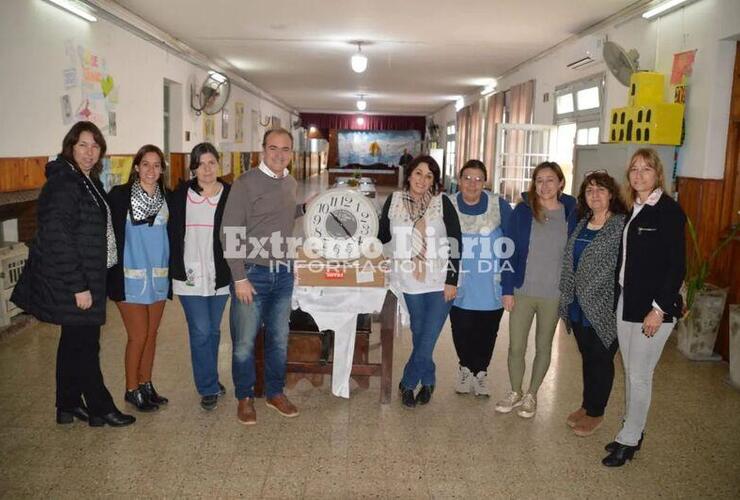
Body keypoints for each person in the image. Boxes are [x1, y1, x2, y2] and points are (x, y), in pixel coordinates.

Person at [11, 121, 135, 427]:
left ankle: (66, 405)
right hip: (76, 281)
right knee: (85, 346)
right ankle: (100, 408)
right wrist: (80, 286)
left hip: (89, 276)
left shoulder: (85, 179)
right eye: (83, 145)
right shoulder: (63, 183)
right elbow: (57, 236)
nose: (89, 152)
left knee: (73, 342)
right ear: (70, 146)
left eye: (95, 146)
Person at [602, 148, 686, 467]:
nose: (639, 175)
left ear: (658, 174)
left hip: (654, 309)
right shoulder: (633, 207)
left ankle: (630, 438)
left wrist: (659, 309)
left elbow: (677, 266)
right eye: (634, 169)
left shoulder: (668, 211)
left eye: (646, 169)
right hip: (628, 301)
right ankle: (630, 430)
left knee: (639, 375)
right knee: (632, 372)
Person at [221, 128, 309, 425]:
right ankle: (244, 397)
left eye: (285, 149)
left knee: (279, 339)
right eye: (274, 148)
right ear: (263, 150)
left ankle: (275, 393)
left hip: (282, 272)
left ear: (291, 154)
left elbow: (280, 214)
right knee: (245, 342)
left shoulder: (290, 181)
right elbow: (229, 232)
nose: (279, 154)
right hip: (252, 274)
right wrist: (239, 277)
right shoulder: (245, 184)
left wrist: (307, 207)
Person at [379, 155, 462, 408]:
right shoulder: (393, 201)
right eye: (418, 173)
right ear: (410, 174)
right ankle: (428, 378)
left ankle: (407, 382)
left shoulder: (441, 203)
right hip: (408, 279)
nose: (422, 180)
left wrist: (452, 279)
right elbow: (381, 236)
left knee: (428, 337)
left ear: (434, 181)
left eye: (429, 176)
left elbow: (456, 242)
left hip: (439, 280)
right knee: (419, 333)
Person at [496, 161, 576, 418]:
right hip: (522, 290)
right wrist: (507, 288)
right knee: (516, 346)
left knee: (543, 346)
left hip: (553, 294)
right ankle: (515, 390)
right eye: (539, 180)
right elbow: (508, 250)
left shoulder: (571, 212)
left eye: (550, 180)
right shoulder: (522, 211)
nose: (544, 186)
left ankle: (532, 394)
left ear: (561, 183)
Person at [558, 171, 627, 437]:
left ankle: (596, 413)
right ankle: (587, 405)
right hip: (578, 303)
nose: (595, 195)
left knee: (601, 359)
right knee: (588, 357)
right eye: (589, 190)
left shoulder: (621, 225)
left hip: (605, 306)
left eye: (600, 190)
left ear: (611, 194)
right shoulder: (582, 221)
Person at [168, 142, 232, 411]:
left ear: (219, 164)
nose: (207, 169)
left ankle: (212, 379)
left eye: (211, 163)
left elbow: (249, 222)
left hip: (219, 275)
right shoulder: (180, 194)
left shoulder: (230, 194)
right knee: (201, 329)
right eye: (201, 164)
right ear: (192, 167)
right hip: (189, 274)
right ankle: (207, 387)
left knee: (214, 331)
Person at [108, 145, 170, 412]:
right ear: (136, 167)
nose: (151, 170)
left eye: (157, 165)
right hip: (129, 277)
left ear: (162, 170)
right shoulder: (119, 196)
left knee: (152, 334)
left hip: (158, 276)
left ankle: (146, 384)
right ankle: (131, 389)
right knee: (138, 335)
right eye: (146, 164)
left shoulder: (167, 197)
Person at [448, 160, 512, 397]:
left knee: (487, 331)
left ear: (484, 182)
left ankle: (481, 373)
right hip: (460, 282)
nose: (472, 184)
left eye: (478, 179)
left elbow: (512, 243)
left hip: (491, 283)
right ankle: (465, 369)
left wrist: (509, 284)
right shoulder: (448, 204)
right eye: (467, 178)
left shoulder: (499, 205)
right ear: (459, 179)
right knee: (461, 329)